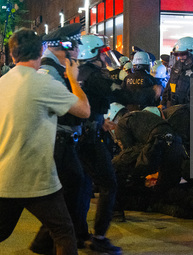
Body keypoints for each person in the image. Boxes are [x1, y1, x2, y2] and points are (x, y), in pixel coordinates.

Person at [0, 28, 90, 255]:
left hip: (4, 177)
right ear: (40, 52)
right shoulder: (44, 84)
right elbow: (84, 111)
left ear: (12, 55)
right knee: (63, 232)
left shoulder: (2, 83)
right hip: (37, 179)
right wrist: (73, 78)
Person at [28, 23, 87, 254]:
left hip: (60, 141)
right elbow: (74, 110)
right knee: (66, 191)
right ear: (64, 47)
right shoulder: (49, 72)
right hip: (57, 142)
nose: (77, 51)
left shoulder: (55, 68)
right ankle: (48, 243)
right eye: (74, 46)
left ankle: (46, 243)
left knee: (69, 189)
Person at [76, 34, 122, 254]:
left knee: (83, 187)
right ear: (92, 53)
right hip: (90, 138)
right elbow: (122, 92)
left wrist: (98, 119)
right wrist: (150, 92)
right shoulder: (95, 76)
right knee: (108, 184)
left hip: (81, 135)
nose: (105, 57)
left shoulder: (78, 73)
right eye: (102, 53)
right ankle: (99, 237)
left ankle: (78, 233)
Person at [160, 36, 193, 108]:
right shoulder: (176, 66)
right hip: (173, 108)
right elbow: (169, 85)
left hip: (191, 112)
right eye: (178, 54)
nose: (180, 57)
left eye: (183, 54)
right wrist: (163, 103)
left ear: (192, 53)